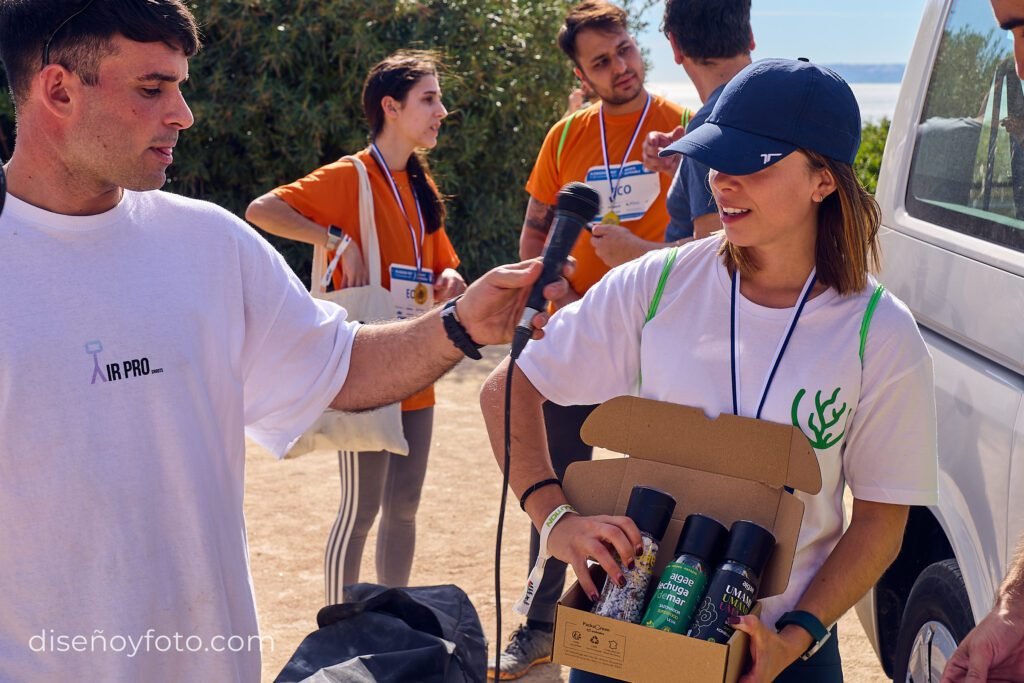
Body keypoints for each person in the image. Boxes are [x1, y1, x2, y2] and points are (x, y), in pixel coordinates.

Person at [0, 1, 562, 679]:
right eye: (152, 89)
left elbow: (343, 364)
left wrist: (462, 324)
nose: (184, 113)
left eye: (180, 85)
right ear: (58, 89)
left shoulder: (210, 242)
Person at [482, 59, 939, 683]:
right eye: (716, 159)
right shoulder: (656, 282)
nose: (722, 182)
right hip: (622, 643)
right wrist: (553, 515)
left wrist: (799, 633)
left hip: (779, 657)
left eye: (754, 163)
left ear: (823, 181)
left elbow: (884, 517)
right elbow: (507, 389)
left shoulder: (879, 333)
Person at [491, 2, 688, 678]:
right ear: (581, 72)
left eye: (625, 50)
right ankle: (540, 622)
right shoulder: (566, 136)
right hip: (582, 330)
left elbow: (712, 241)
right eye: (601, 62)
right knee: (561, 477)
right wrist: (553, 292)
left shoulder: (684, 129)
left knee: (659, 487)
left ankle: (644, 623)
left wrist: (644, 241)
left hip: (664, 339)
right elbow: (537, 228)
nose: (621, 67)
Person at [246, 51, 466, 606]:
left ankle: (391, 622)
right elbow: (262, 210)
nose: (443, 110)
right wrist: (333, 241)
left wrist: (450, 279)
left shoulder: (418, 185)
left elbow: (443, 263)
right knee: (362, 507)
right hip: (367, 364)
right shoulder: (352, 175)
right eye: (430, 99)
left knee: (406, 505)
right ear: (391, 107)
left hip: (417, 362)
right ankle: (341, 626)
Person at [641, 0, 754, 243]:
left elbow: (714, 250)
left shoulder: (710, 126)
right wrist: (686, 172)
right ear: (750, 37)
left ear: (675, 47)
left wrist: (631, 251)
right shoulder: (782, 101)